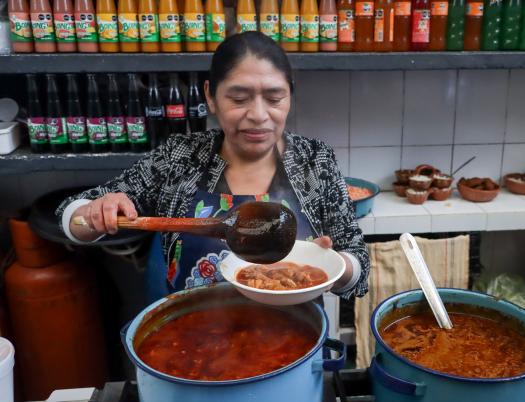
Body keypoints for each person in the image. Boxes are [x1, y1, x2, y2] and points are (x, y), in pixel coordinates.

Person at [56, 31, 369, 300]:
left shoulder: (315, 160)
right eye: (239, 98)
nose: (259, 114)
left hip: (295, 343)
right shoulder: (179, 157)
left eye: (274, 98)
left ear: (290, 96)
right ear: (211, 96)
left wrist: (331, 266)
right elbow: (70, 214)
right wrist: (95, 212)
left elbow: (359, 265)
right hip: (191, 345)